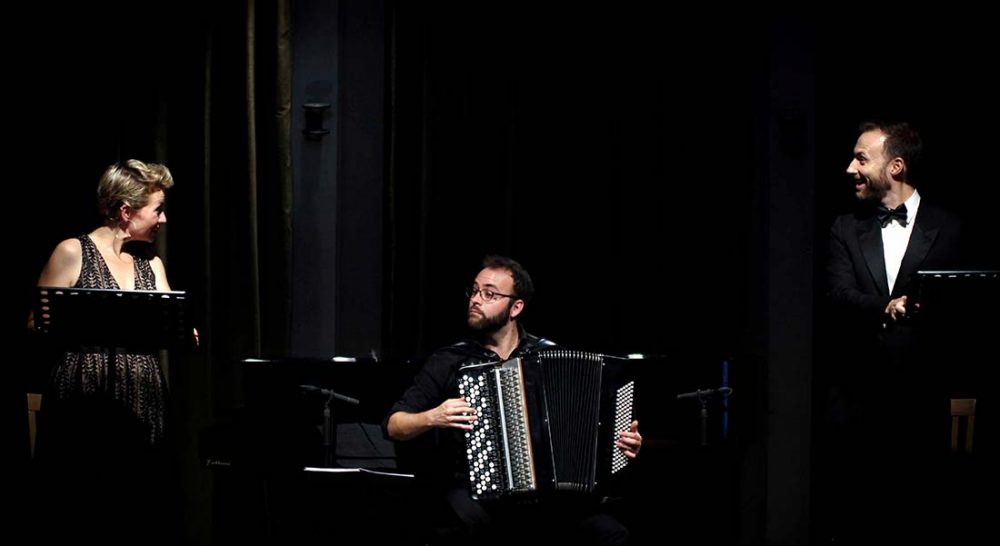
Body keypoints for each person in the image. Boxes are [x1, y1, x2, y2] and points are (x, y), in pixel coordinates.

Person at [385, 255, 642, 545]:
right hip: (474, 491)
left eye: (489, 294)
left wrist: (619, 444)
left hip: (549, 497)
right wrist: (432, 417)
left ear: (516, 307)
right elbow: (394, 425)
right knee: (461, 526)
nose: (476, 300)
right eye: (474, 290)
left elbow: (586, 424)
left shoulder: (550, 358)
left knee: (611, 533)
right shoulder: (449, 360)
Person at [821, 121, 961, 542]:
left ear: (896, 166)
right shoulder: (845, 228)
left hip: (923, 404)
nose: (850, 168)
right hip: (858, 405)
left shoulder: (950, 228)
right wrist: (884, 305)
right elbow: (838, 296)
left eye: (861, 158)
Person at [29, 160, 179, 544]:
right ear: (126, 212)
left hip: (143, 400)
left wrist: (182, 327)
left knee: (137, 511)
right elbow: (36, 322)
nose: (162, 220)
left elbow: (169, 320)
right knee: (82, 509)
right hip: (84, 397)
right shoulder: (72, 251)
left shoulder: (151, 263)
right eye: (157, 210)